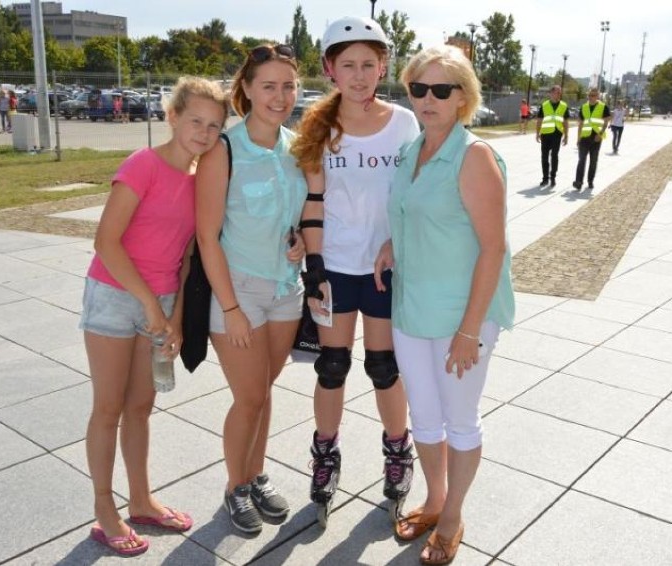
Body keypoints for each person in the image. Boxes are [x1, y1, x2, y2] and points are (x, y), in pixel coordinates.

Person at [374, 44, 515, 566]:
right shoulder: (414, 150)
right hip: (413, 307)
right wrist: (394, 243)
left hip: (462, 313)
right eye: (418, 88)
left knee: (460, 419)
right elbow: (413, 210)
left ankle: (453, 514)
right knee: (424, 417)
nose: (427, 99)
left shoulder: (474, 155)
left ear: (463, 98)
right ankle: (434, 499)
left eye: (441, 90)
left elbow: (492, 246)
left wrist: (469, 330)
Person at [79, 76, 229, 556]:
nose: (204, 134)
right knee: (109, 407)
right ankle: (105, 508)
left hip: (162, 303)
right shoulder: (142, 165)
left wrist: (177, 318)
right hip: (114, 295)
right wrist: (149, 304)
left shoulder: (199, 179)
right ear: (173, 117)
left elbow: (186, 259)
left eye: (214, 126)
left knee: (142, 407)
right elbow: (106, 242)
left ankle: (141, 499)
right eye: (195, 122)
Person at [291, 15, 420, 528]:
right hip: (337, 267)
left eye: (369, 64)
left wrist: (397, 238)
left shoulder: (405, 123)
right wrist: (315, 266)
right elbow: (314, 199)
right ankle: (325, 455)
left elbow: (414, 195)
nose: (360, 75)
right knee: (332, 366)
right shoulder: (319, 126)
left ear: (383, 65)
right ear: (330, 69)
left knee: (384, 367)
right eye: (349, 65)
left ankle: (397, 451)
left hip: (385, 269)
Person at [195, 43, 307, 535]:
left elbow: (298, 213)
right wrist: (231, 307)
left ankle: (255, 474)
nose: (280, 96)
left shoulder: (297, 146)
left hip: (287, 290)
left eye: (288, 86)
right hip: (238, 290)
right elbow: (206, 235)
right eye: (269, 86)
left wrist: (299, 238)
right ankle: (234, 488)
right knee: (248, 397)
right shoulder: (224, 149)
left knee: (264, 391)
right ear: (246, 89)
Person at [573, 88, 611, 191]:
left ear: (598, 96)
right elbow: (580, 124)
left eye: (594, 95)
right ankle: (578, 181)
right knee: (581, 160)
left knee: (593, 161)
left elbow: (606, 122)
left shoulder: (603, 107)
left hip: (596, 138)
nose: (591, 97)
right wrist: (578, 138)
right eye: (590, 95)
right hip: (584, 138)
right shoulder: (584, 107)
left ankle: (590, 181)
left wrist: (600, 134)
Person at [534, 85, 569, 187]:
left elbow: (566, 122)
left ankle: (552, 177)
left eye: (560, 92)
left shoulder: (563, 105)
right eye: (557, 92)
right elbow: (539, 120)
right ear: (551, 93)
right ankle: (545, 178)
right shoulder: (544, 105)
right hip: (545, 134)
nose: (559, 94)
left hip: (557, 134)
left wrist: (566, 136)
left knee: (554, 156)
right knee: (544, 157)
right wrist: (537, 133)